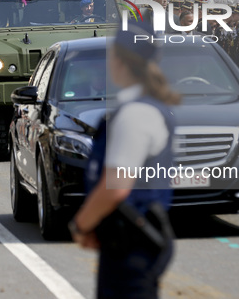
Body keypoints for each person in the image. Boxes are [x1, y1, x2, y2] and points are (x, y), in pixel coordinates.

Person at [70, 23, 179, 299]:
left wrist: (81, 225)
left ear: (120, 60)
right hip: (129, 239)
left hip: (133, 243)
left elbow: (116, 187)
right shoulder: (144, 107)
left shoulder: (136, 113)